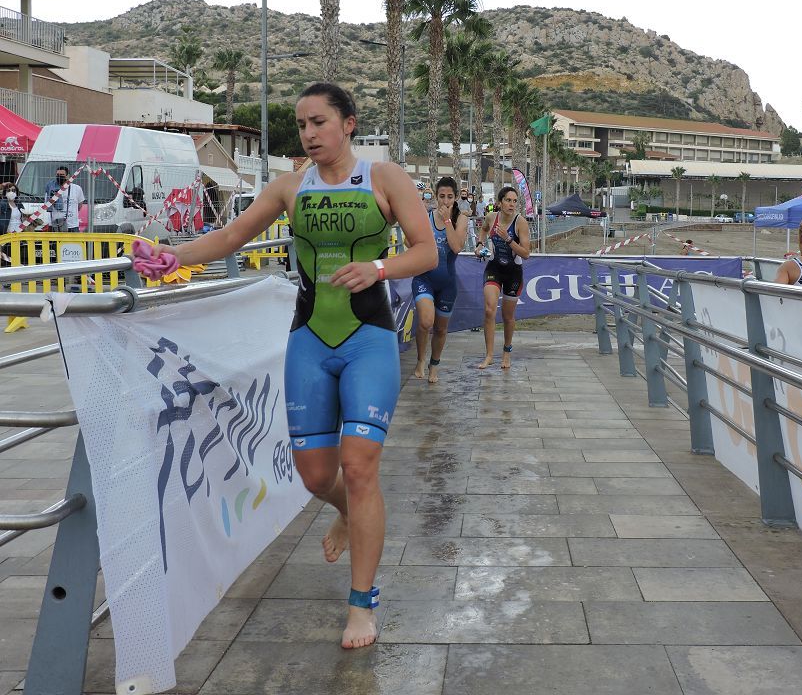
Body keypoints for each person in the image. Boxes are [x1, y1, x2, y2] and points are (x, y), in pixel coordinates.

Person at [135, 82, 436, 649]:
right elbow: (230, 236)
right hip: (309, 341)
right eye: (301, 125)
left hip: (368, 337)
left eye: (319, 122)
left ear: (348, 123)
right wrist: (172, 259)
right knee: (317, 476)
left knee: (361, 464)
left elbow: (426, 250)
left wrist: (378, 267)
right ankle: (344, 511)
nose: (309, 134)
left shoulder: (384, 178)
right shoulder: (289, 188)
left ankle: (362, 606)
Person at [411, 176, 467, 383]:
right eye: (441, 196)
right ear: (435, 197)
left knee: (441, 328)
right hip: (424, 277)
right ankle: (419, 359)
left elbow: (457, 247)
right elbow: (412, 242)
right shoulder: (426, 217)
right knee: (426, 321)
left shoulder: (461, 219)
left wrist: (447, 222)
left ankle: (434, 364)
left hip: (447, 282)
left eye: (450, 197)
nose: (445, 201)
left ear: (455, 198)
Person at [474, 185, 531, 368]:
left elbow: (526, 253)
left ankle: (506, 352)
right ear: (500, 202)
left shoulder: (520, 222)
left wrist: (508, 239)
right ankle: (489, 355)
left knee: (507, 316)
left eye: (515, 201)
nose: (512, 204)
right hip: (494, 267)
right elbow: (483, 229)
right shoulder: (492, 217)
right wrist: (479, 244)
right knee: (490, 310)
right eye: (508, 200)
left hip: (514, 272)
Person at [45, 166, 86, 233]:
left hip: (72, 226)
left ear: (68, 176)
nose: (59, 177)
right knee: (54, 243)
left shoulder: (77, 188)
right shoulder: (50, 189)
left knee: (73, 243)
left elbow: (79, 206)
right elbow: (47, 205)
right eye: (57, 175)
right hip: (55, 224)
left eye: (62, 175)